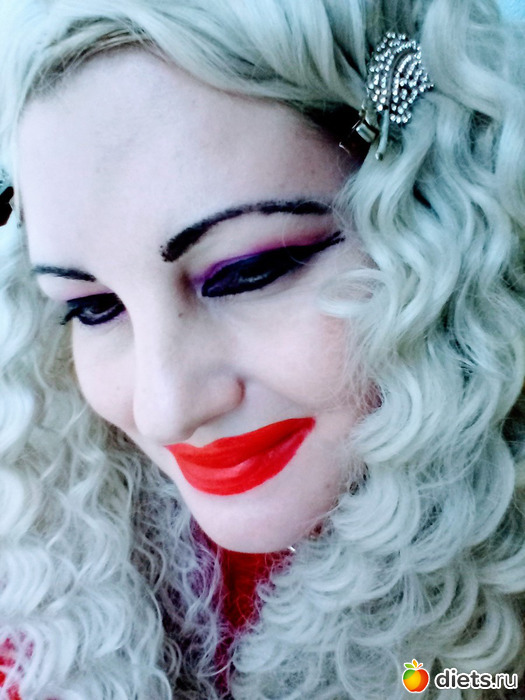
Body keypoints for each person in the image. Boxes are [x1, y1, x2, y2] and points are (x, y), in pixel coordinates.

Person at [0, 0, 523, 698]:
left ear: (441, 212)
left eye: (250, 270)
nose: (165, 409)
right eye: (93, 308)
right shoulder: (42, 571)